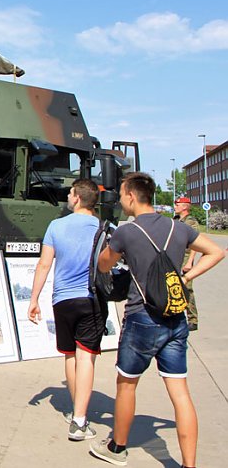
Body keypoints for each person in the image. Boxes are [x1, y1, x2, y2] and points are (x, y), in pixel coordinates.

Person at [91, 172, 223, 468]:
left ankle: (117, 447)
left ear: (131, 196)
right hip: (175, 318)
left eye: (123, 194)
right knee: (180, 391)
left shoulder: (127, 231)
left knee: (126, 384)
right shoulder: (179, 228)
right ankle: (189, 464)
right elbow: (216, 252)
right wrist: (187, 275)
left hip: (142, 317)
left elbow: (104, 265)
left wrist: (108, 252)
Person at [28, 178, 104, 441]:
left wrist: (34, 299)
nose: (68, 198)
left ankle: (76, 411)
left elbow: (44, 265)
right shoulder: (104, 227)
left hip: (62, 301)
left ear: (79, 198)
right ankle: (80, 420)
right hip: (91, 299)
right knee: (86, 357)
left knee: (70, 356)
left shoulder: (56, 226)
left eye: (71, 194)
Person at [173, 197, 200, 331]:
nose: (175, 206)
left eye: (177, 204)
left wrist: (189, 262)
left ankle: (193, 319)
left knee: (187, 288)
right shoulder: (176, 220)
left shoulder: (191, 222)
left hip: (185, 258)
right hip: (175, 257)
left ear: (184, 207)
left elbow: (195, 244)